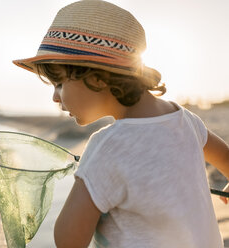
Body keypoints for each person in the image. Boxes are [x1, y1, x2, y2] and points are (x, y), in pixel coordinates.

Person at [12, 0, 229, 247]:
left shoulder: (106, 146)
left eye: (59, 83)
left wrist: (88, 176)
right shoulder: (186, 120)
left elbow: (68, 240)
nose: (55, 97)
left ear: (97, 77)